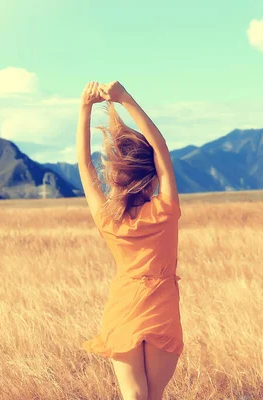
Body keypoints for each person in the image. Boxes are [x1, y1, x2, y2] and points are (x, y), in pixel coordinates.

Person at [77, 81, 183, 400]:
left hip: (124, 306)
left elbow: (84, 166)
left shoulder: (109, 219)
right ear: (151, 177)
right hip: (162, 306)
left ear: (116, 176)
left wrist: (85, 107)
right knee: (150, 397)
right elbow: (160, 147)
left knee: (134, 396)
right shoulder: (165, 210)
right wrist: (124, 99)